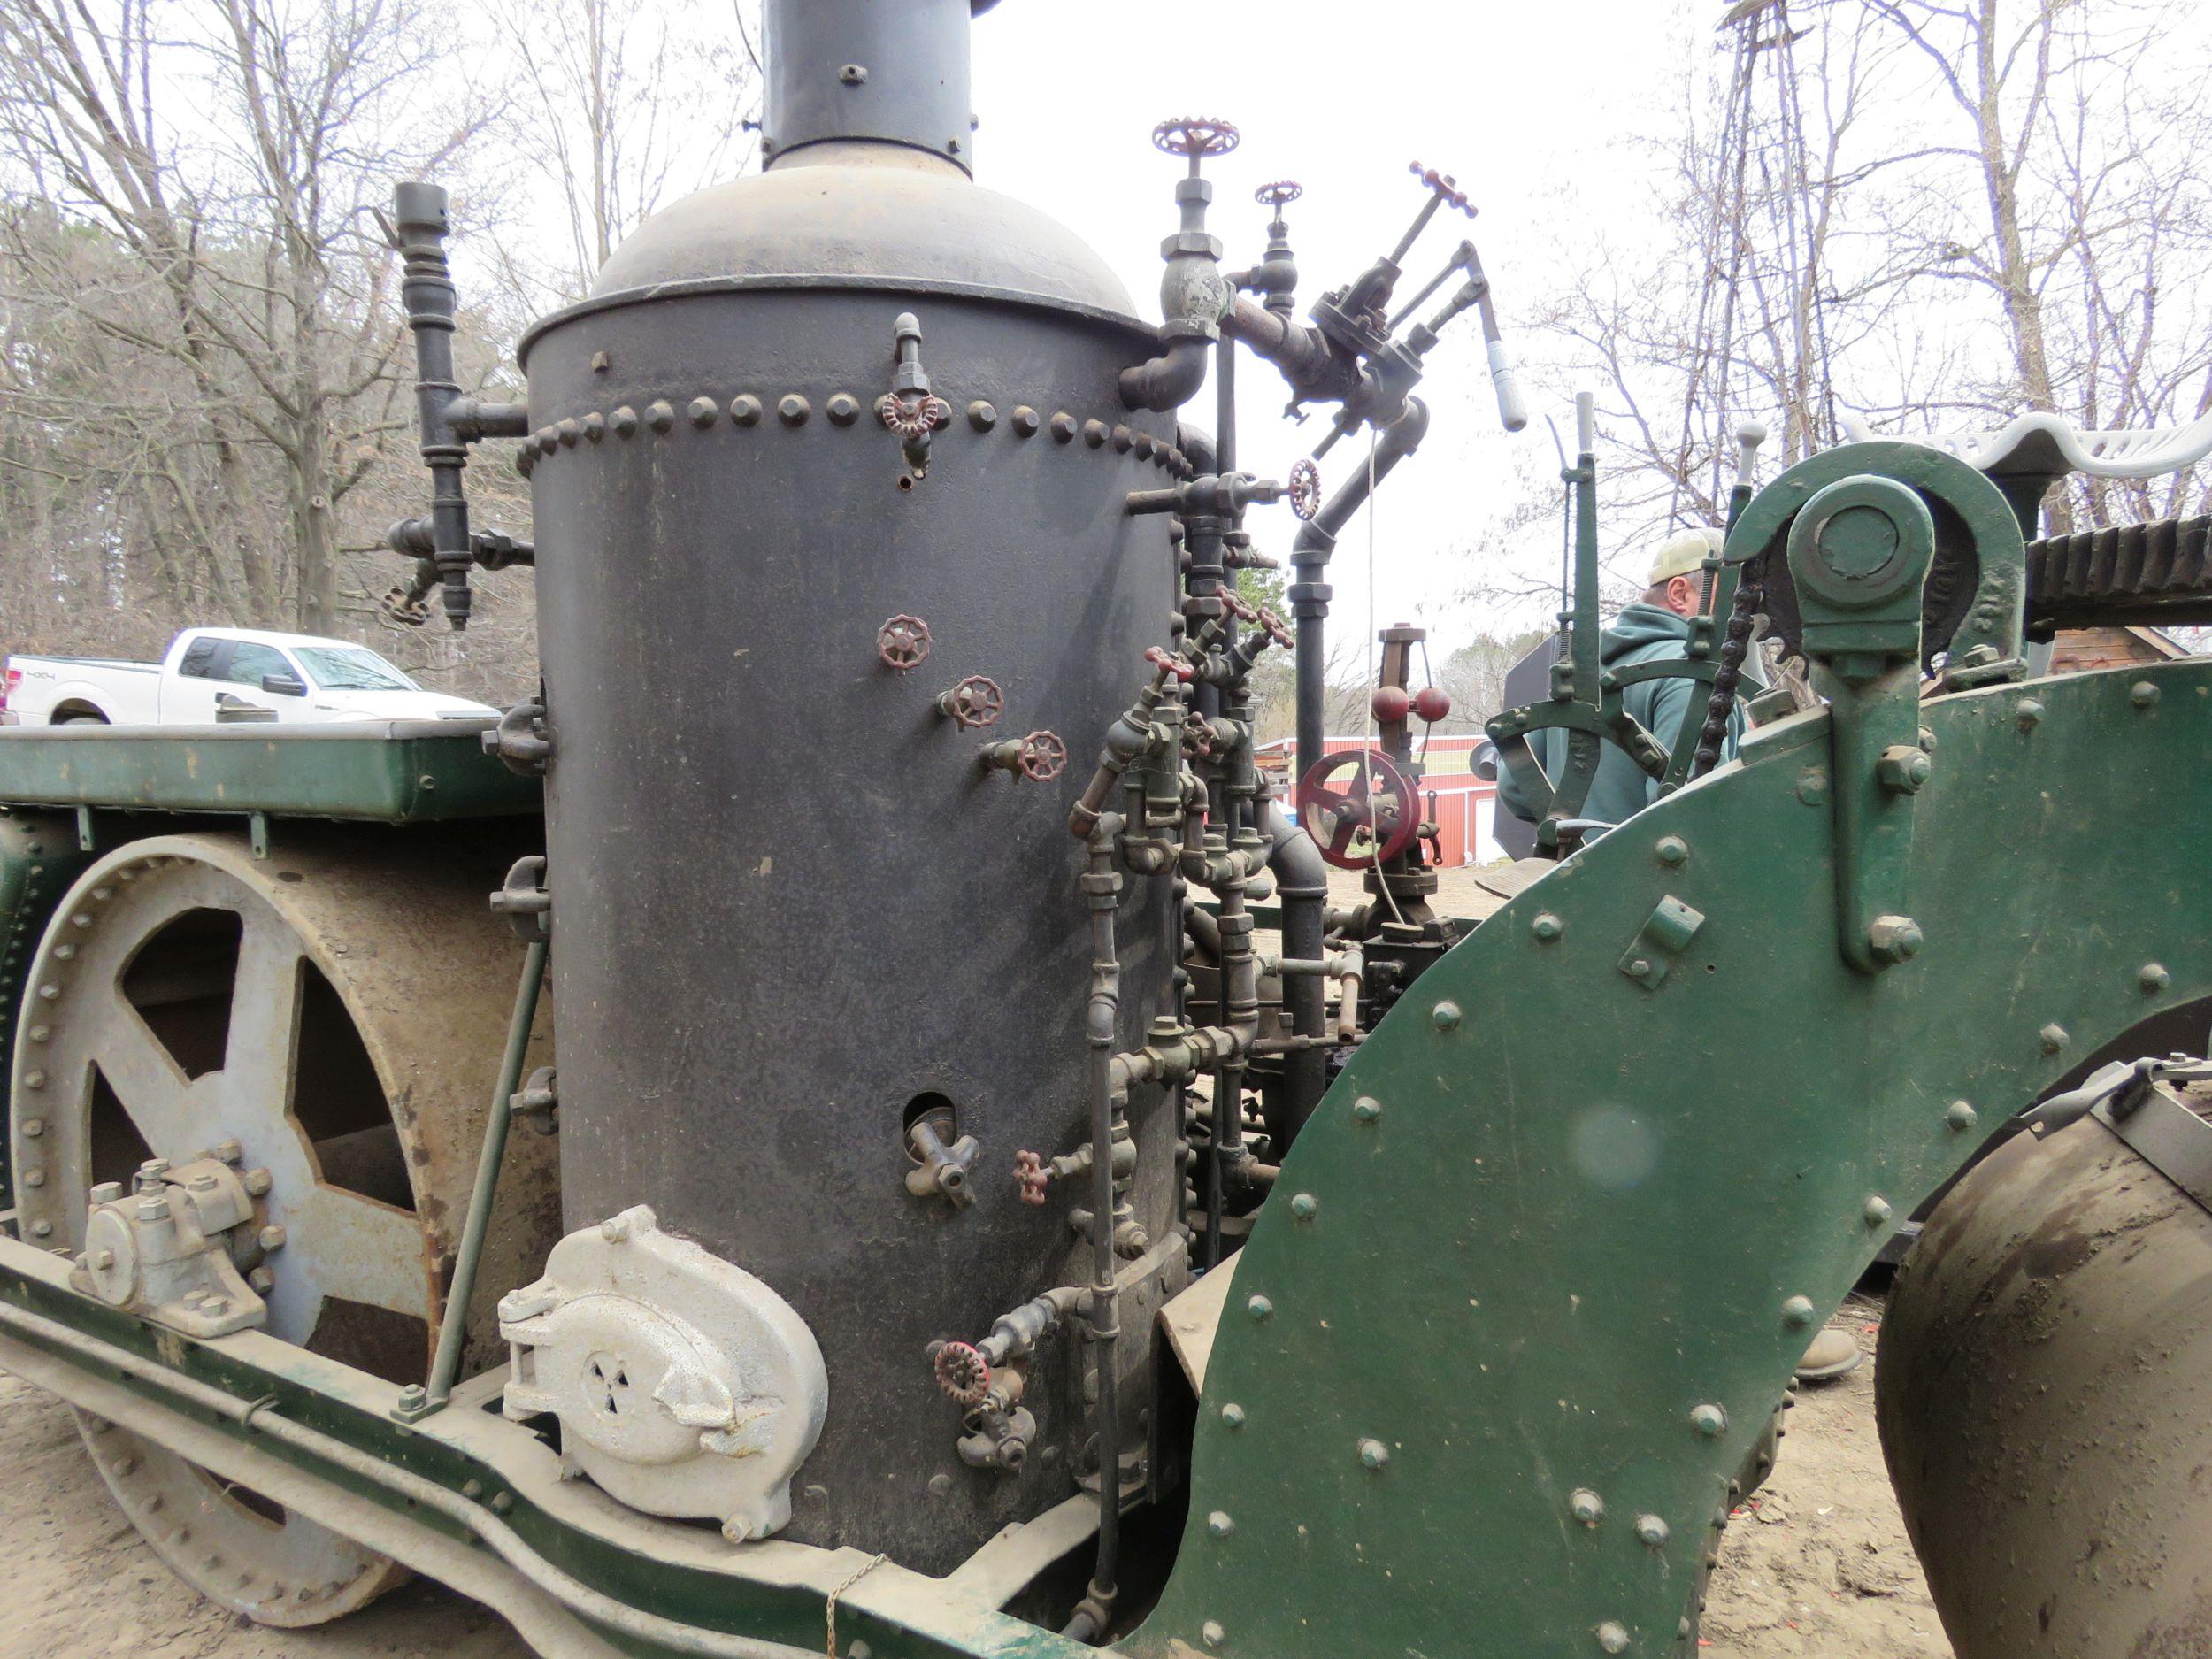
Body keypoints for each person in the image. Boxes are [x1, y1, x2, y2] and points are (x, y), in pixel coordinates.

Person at [1495, 525, 1863, 1385]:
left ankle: (1573, 1305)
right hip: (1670, 931)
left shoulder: (1574, 668)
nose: (1750, 618)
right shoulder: (1701, 674)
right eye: (1731, 594)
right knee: (1720, 1120)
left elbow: (1510, 778)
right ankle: (1742, 1325)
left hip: (1567, 917)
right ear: (1683, 595)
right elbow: (1718, 818)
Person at [1496, 526, 1751, 833]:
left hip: (1569, 875)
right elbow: (1694, 821)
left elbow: (1515, 785)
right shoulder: (1691, 681)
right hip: (1649, 879)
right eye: (1733, 602)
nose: (1741, 619)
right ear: (1680, 593)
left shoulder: (1582, 672)